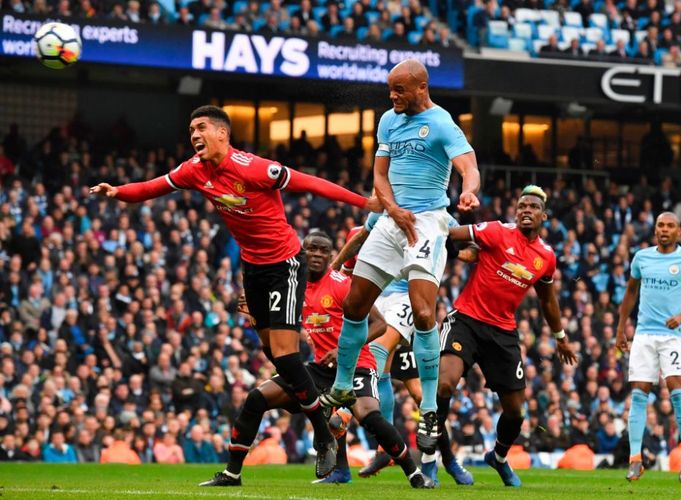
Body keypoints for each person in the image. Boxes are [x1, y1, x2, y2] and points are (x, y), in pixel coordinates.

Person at [90, 105, 380, 481]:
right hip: (252, 269)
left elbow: (309, 182)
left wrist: (363, 202)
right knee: (275, 359)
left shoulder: (254, 167)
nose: (194, 135)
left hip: (284, 264)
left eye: (202, 128)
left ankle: (323, 434)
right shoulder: (194, 170)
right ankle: (237, 469)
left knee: (286, 356)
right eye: (191, 128)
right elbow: (153, 187)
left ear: (223, 133)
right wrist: (117, 192)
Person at [320, 59, 481, 458]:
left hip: (427, 221)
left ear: (421, 87)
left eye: (399, 90)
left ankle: (428, 408)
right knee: (354, 305)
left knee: (425, 314)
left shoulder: (442, 122)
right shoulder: (388, 121)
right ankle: (342, 385)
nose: (392, 96)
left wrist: (468, 191)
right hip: (394, 219)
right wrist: (391, 209)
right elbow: (379, 176)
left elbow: (468, 166)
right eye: (390, 89)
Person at [201, 232, 433, 488]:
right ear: (302, 251)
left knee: (370, 418)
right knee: (256, 398)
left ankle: (414, 473)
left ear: (331, 256)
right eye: (312, 249)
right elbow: (274, 329)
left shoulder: (342, 284)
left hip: (356, 365)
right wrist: (257, 313)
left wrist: (346, 348)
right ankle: (232, 473)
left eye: (324, 251)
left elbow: (379, 324)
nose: (317, 255)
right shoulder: (293, 286)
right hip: (320, 368)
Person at [437, 185, 578, 487]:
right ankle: (436, 453)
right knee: (444, 384)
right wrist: (459, 248)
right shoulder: (498, 231)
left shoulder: (546, 257)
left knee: (515, 413)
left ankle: (499, 458)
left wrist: (560, 335)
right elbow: (453, 233)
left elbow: (547, 300)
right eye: (522, 205)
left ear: (544, 216)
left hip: (502, 332)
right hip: (467, 320)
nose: (526, 210)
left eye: (533, 207)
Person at [329, 213, 475, 484]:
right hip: (380, 303)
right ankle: (393, 451)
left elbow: (467, 241)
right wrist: (334, 268)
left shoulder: (434, 213)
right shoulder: (368, 228)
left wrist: (464, 253)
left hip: (408, 301)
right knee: (402, 382)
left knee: (386, 360)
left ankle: (446, 461)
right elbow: (348, 270)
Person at [616, 211, 681, 483]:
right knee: (639, 394)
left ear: (678, 232)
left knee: (678, 393)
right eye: (660, 225)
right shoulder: (641, 257)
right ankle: (635, 459)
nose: (664, 230)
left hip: (672, 337)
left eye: (670, 226)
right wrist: (621, 328)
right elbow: (630, 292)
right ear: (655, 229)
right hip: (643, 335)